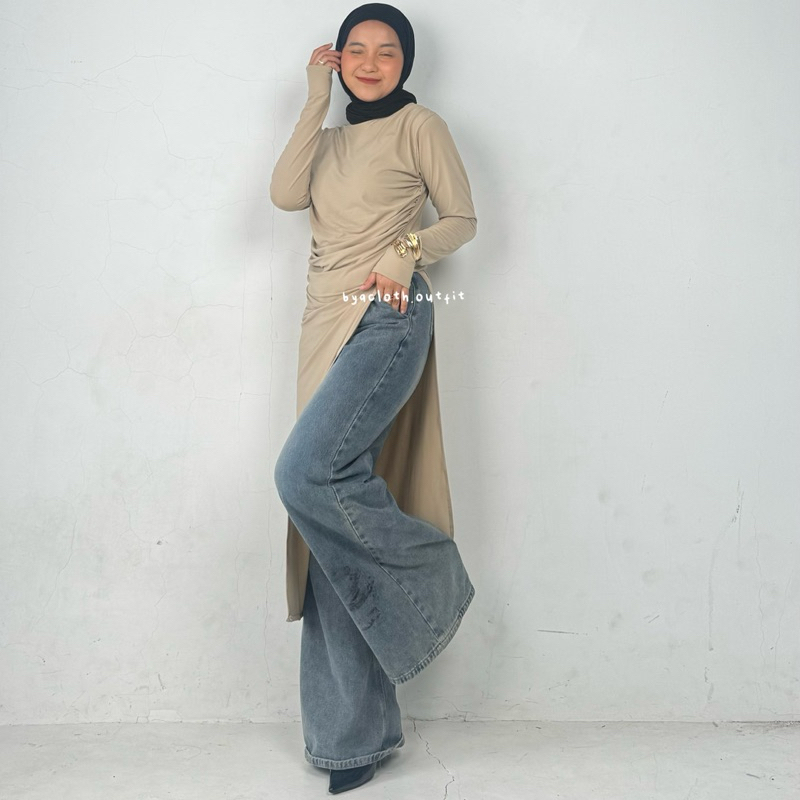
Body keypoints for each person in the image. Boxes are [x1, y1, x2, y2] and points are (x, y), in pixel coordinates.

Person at [270, 3, 478, 794]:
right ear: (337, 59)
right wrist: (312, 98)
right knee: (327, 521)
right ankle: (353, 740)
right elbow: (284, 194)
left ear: (406, 62)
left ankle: (433, 583)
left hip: (386, 315)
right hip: (322, 326)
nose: (368, 61)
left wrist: (406, 248)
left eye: (386, 51)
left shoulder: (421, 126)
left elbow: (463, 218)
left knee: (306, 476)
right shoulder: (326, 140)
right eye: (354, 49)